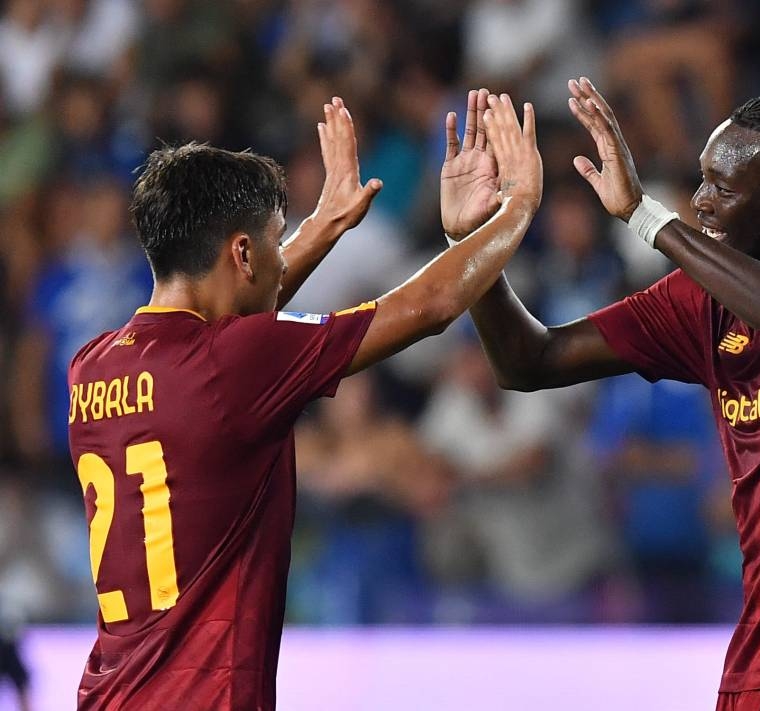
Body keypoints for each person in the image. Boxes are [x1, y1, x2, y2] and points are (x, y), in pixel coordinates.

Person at [443, 82, 760, 710]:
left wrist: (646, 217)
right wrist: (477, 244)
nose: (700, 202)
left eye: (722, 188)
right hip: (759, 657)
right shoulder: (700, 299)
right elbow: (529, 361)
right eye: (701, 180)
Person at [67, 90, 541, 709]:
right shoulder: (231, 361)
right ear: (241, 253)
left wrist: (326, 223)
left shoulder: (92, 366)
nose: (277, 253)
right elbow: (427, 307)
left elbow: (241, 306)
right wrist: (515, 208)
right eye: (273, 239)